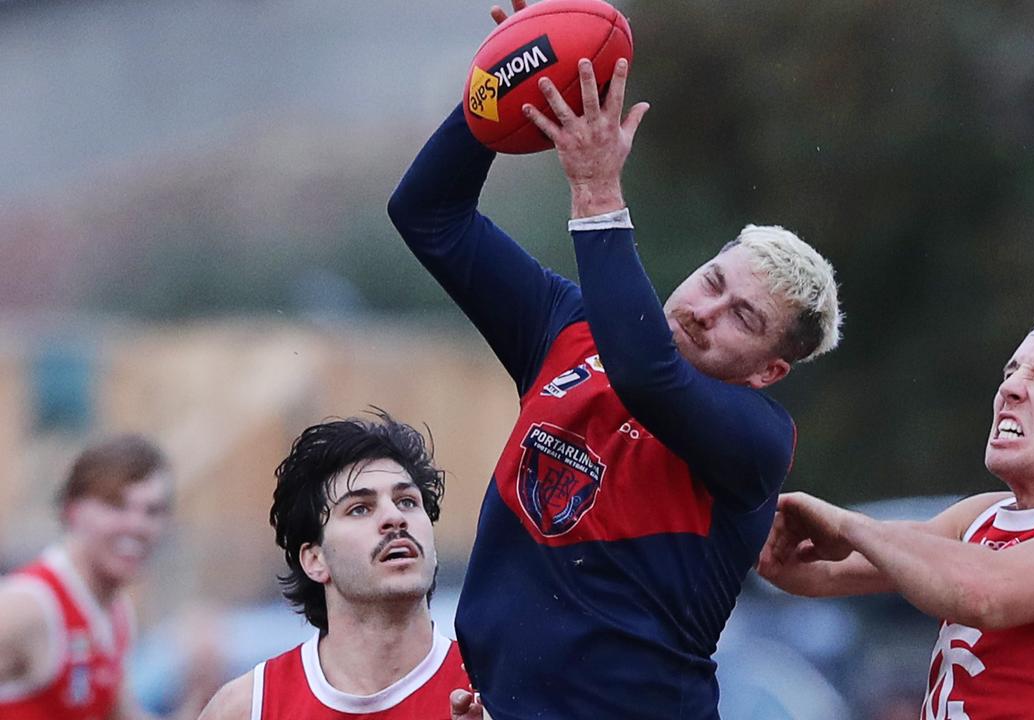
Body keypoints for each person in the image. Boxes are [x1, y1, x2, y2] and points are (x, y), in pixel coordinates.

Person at [387, 2, 842, 717]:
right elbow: (428, 213)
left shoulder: (756, 441)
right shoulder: (566, 328)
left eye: (742, 318)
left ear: (766, 371)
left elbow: (645, 375)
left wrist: (597, 190)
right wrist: (499, 84)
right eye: (713, 281)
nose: (703, 309)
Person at [758, 298, 1034, 719]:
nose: (1010, 388)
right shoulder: (982, 514)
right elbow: (819, 570)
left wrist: (849, 526)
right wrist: (756, 527)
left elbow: (984, 593)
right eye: (1012, 372)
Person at [197, 411, 471, 720]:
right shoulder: (249, 707)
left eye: (407, 501)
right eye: (359, 509)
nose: (395, 518)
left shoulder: (493, 691)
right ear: (315, 560)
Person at [0, 434, 212, 720]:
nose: (137, 525)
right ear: (72, 510)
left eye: (152, 511)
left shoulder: (117, 612)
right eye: (117, 506)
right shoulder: (29, 606)